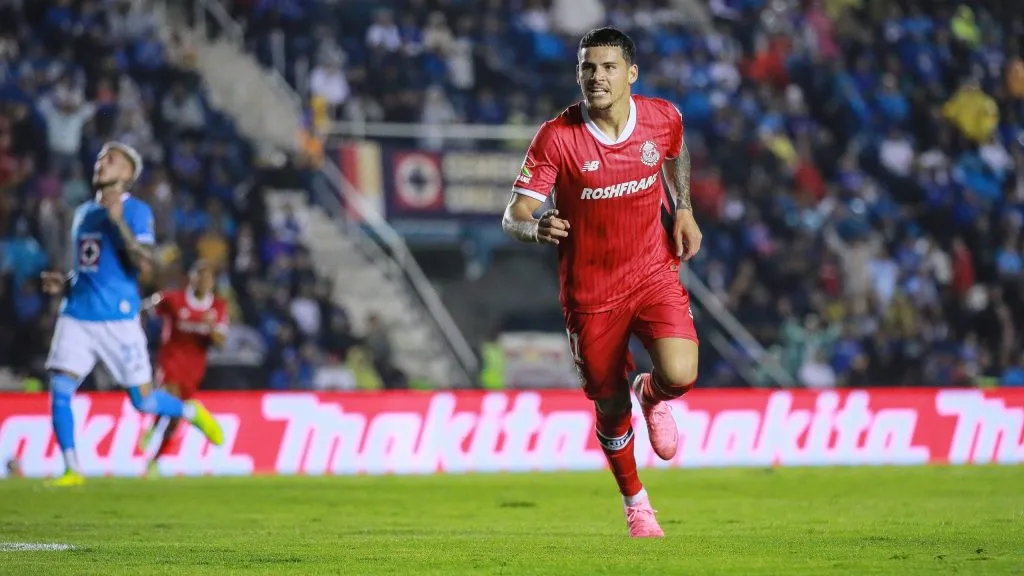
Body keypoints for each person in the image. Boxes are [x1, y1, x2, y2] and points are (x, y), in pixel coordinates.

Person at [501, 28, 702, 538]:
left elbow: (676, 151)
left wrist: (683, 207)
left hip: (653, 271)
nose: (597, 77)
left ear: (631, 73)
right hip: (591, 294)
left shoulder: (662, 117)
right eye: (588, 67)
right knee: (610, 407)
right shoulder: (558, 136)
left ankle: (651, 394)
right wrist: (535, 226)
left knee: (681, 374)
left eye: (609, 67)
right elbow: (514, 214)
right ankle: (636, 504)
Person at [41, 141, 223, 487]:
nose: (100, 163)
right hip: (77, 313)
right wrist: (64, 283)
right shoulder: (83, 213)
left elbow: (144, 262)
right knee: (60, 387)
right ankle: (71, 469)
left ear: (126, 173)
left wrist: (118, 223)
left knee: (143, 401)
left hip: (118, 319)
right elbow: (89, 267)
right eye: (100, 158)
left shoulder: (137, 211)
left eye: (110, 160)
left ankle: (189, 411)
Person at [138, 259, 228, 476]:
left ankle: (155, 459)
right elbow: (146, 307)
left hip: (194, 367)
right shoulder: (174, 299)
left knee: (176, 414)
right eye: (200, 277)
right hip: (170, 360)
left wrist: (211, 327)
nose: (204, 282)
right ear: (192, 279)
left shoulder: (218, 307)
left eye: (208, 278)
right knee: (173, 397)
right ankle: (153, 428)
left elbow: (221, 341)